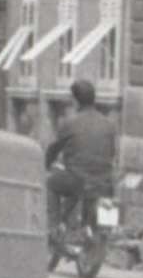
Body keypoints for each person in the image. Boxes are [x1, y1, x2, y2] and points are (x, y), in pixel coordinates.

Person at [46, 78, 118, 228]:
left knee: (51, 183)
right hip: (105, 184)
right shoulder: (109, 125)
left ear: (75, 101)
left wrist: (46, 165)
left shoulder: (69, 123)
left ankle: (54, 227)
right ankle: (107, 231)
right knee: (105, 224)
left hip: (78, 182)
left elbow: (52, 150)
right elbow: (112, 153)